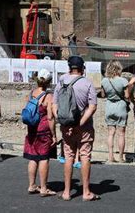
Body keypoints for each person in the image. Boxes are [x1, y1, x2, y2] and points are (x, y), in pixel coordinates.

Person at [53, 55, 100, 201]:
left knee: (68, 156)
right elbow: (92, 107)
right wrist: (79, 123)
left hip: (66, 126)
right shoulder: (87, 83)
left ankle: (67, 192)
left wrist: (63, 122)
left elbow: (55, 105)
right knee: (85, 156)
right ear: (82, 69)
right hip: (84, 126)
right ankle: (86, 192)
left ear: (69, 67)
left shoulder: (61, 82)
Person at [24, 69, 57, 197]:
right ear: (49, 82)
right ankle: (43, 188)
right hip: (43, 131)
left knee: (33, 158)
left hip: (32, 129)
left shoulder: (31, 93)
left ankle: (32, 185)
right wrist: (54, 134)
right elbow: (50, 117)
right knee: (43, 158)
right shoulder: (48, 96)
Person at [101, 60, 129, 163]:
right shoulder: (123, 81)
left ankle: (110, 156)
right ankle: (121, 157)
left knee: (110, 133)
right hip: (120, 106)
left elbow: (103, 95)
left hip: (109, 106)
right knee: (121, 134)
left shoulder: (104, 81)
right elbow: (126, 96)